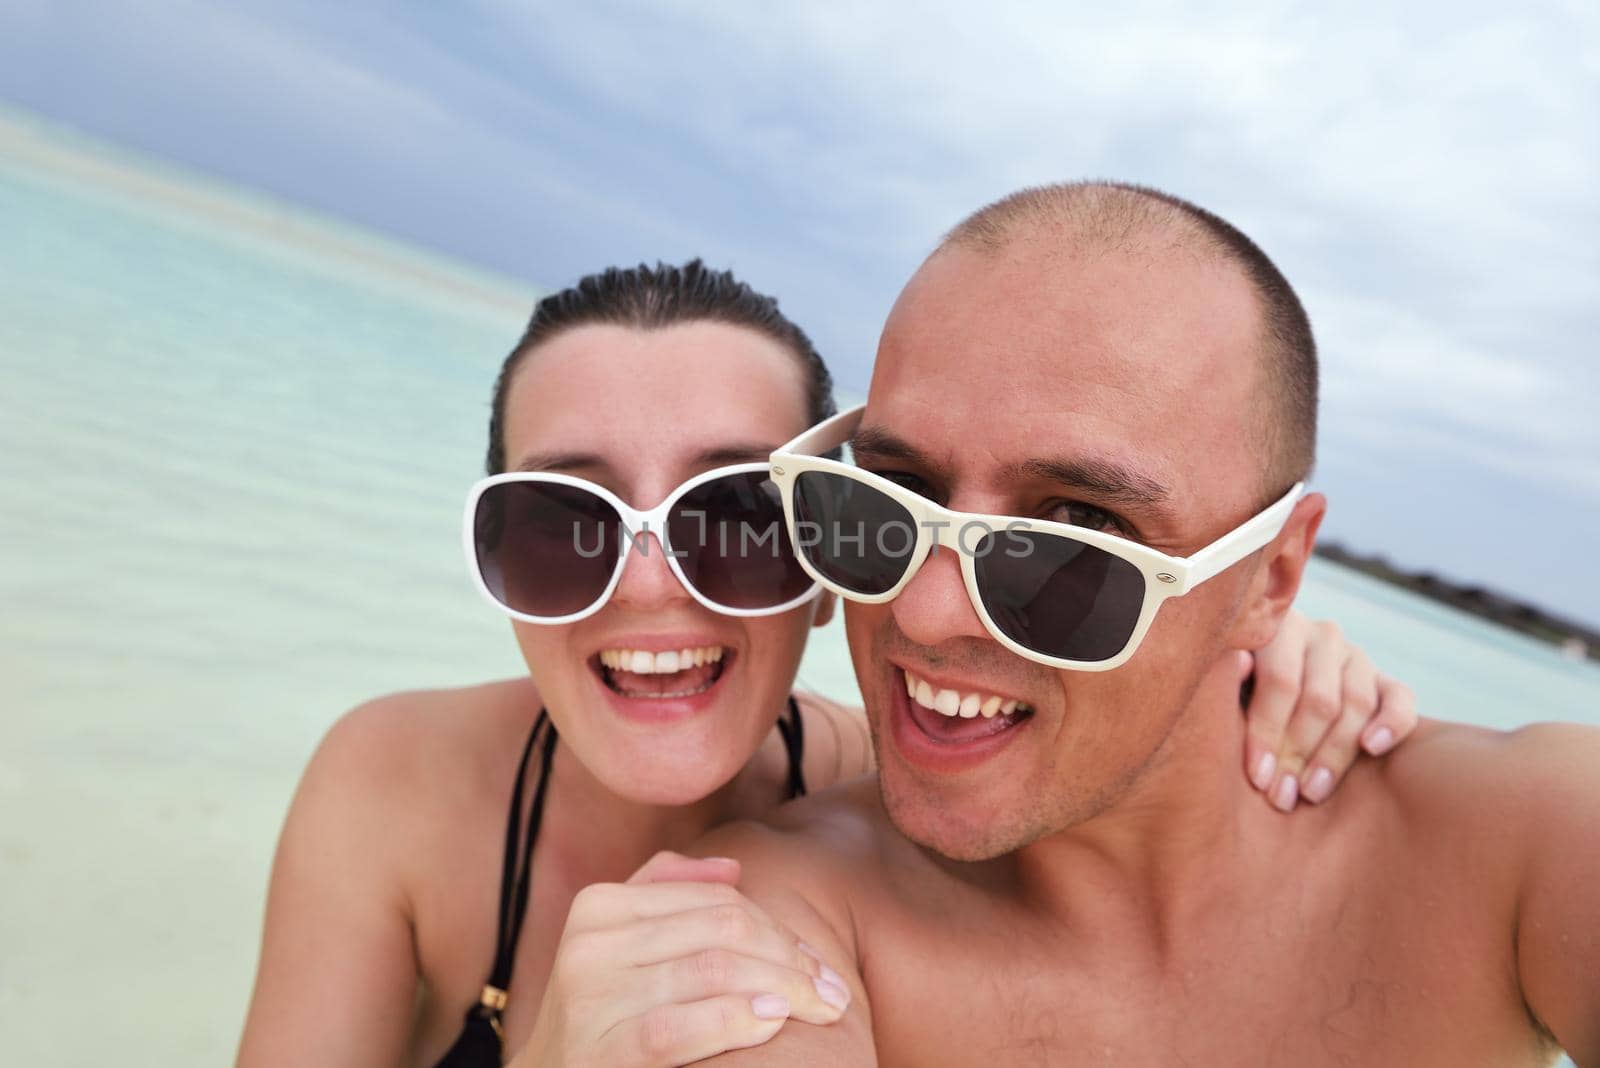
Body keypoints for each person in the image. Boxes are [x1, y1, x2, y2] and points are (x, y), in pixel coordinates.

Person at [235, 260, 1418, 1068]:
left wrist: (1245, 650)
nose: (649, 586)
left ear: (838, 555)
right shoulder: (393, 786)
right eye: (561, 526)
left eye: (741, 518)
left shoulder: (927, 797)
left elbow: (1128, 762)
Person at [684, 183, 1600, 1066]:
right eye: (892, 496)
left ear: (1268, 581)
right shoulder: (770, 917)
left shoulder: (1531, 837)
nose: (922, 609)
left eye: (1075, 535)